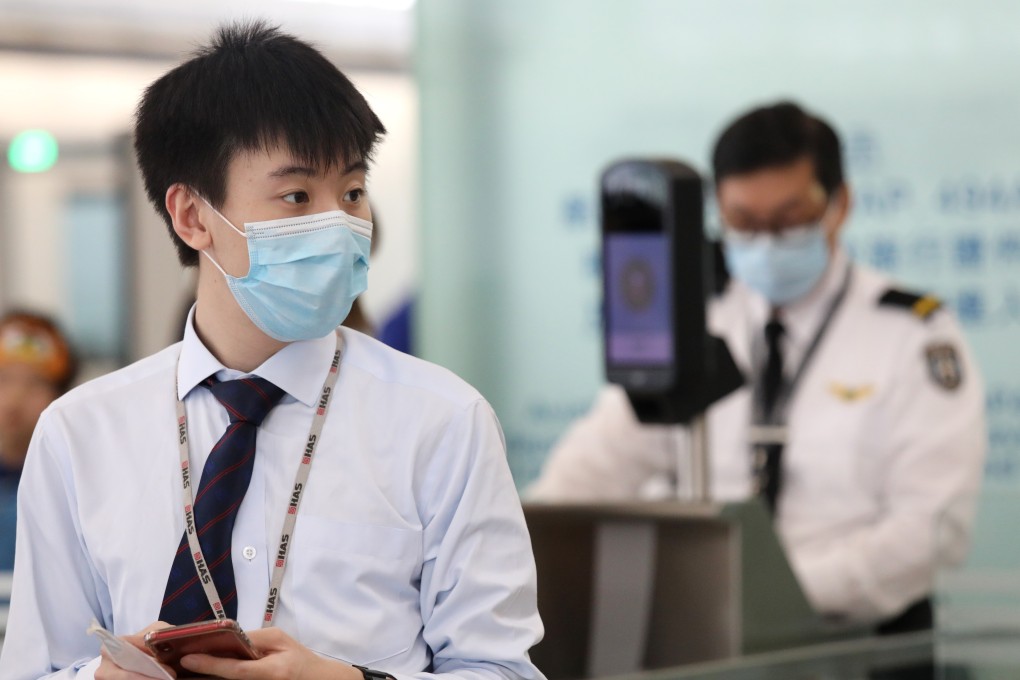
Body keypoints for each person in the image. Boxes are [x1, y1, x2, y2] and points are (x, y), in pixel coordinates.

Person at [0, 21, 544, 680]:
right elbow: (33, 669)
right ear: (193, 217)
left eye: (351, 192)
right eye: (297, 196)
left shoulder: (441, 421)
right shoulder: (81, 433)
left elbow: (503, 670)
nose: (340, 225)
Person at [529, 101, 986, 632]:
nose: (767, 240)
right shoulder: (695, 319)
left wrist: (773, 597)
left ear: (840, 205)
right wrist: (525, 553)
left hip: (860, 639)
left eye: (790, 218)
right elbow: (594, 467)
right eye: (743, 221)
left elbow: (930, 529)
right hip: (709, 630)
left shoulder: (912, 335)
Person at [0, 310, 77, 571]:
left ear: (62, 396)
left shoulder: (74, 478)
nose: (15, 398)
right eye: (4, 379)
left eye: (35, 383)